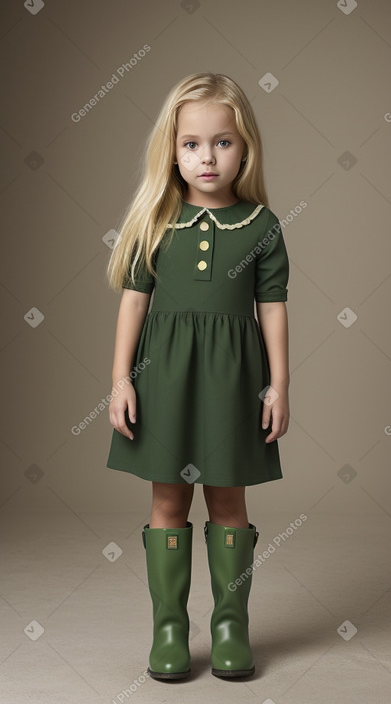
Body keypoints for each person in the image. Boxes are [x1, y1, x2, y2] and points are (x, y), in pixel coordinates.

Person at [106, 72, 290, 680]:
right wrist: (121, 380)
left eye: (222, 142)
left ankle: (231, 626)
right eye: (191, 143)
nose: (206, 156)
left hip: (234, 382)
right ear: (173, 148)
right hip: (165, 378)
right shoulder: (157, 221)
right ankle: (170, 629)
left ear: (246, 147)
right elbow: (133, 303)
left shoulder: (260, 227)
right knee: (167, 498)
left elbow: (273, 310)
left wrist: (279, 386)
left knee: (229, 498)